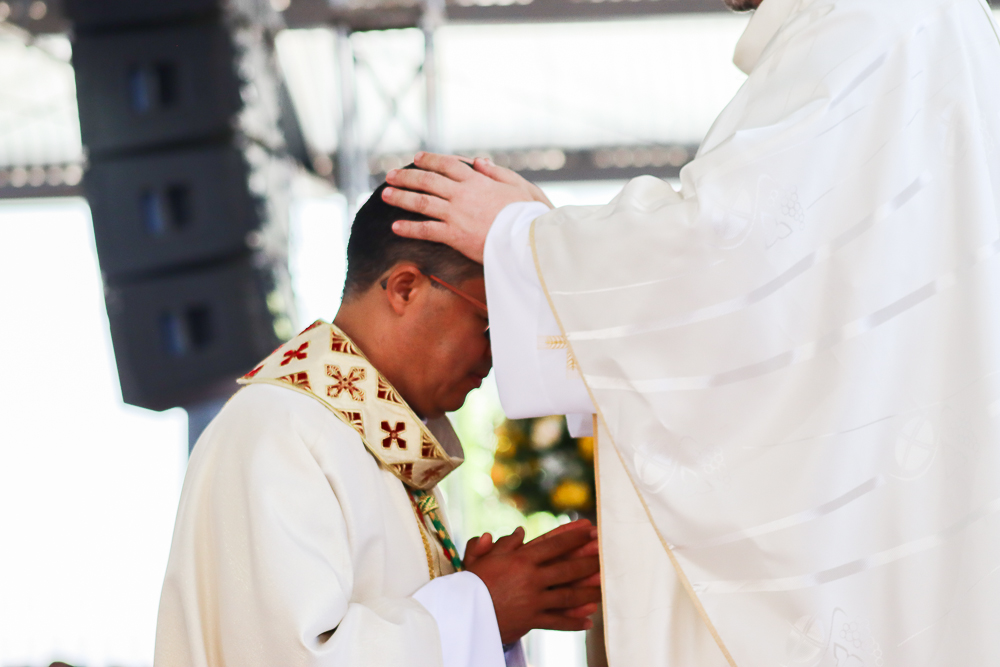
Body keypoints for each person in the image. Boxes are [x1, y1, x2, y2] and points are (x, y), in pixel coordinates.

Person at [380, 0, 1000, 664]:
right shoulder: (926, 26)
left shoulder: (869, 18)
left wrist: (525, 239)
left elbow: (728, 259)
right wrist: (553, 249)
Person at [153, 180, 602, 667]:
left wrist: (479, 609)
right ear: (405, 288)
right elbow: (289, 657)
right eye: (490, 325)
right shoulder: (276, 429)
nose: (499, 358)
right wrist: (482, 609)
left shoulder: (376, 446)